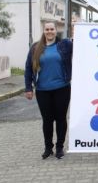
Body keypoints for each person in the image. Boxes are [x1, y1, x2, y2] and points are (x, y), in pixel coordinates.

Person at [24, 22, 73, 159]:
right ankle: (48, 147)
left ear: (56, 31)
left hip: (62, 88)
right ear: (44, 31)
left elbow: (83, 45)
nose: (49, 31)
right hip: (42, 90)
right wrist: (28, 88)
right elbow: (28, 68)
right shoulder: (35, 48)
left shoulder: (65, 45)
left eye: (52, 29)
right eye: (47, 29)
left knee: (61, 119)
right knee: (47, 120)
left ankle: (59, 147)